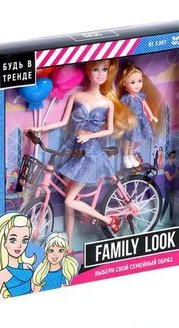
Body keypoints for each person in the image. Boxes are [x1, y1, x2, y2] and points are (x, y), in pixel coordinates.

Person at [28, 60, 131, 244]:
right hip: (73, 149)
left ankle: (109, 220)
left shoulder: (107, 103)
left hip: (90, 155)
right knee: (69, 199)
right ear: (88, 71)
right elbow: (63, 121)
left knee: (69, 200)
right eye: (96, 69)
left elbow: (108, 130)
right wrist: (40, 129)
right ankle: (67, 244)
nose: (100, 74)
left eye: (104, 70)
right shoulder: (77, 96)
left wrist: (91, 135)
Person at [116, 64, 165, 168]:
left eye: (139, 81)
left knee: (133, 140)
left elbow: (145, 106)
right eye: (132, 82)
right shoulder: (126, 98)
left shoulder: (140, 96)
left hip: (139, 120)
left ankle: (131, 155)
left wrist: (151, 116)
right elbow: (121, 109)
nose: (137, 85)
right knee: (127, 139)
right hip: (130, 121)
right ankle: (125, 157)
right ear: (124, 83)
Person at [0, 212, 35, 299]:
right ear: (5, 242)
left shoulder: (28, 267)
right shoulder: (1, 275)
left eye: (24, 241)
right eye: (13, 240)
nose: (19, 246)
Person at [163, 150, 179, 223]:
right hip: (168, 187)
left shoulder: (174, 166)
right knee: (166, 203)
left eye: (174, 156)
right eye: (172, 156)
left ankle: (171, 220)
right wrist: (176, 173)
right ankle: (160, 219)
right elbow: (169, 178)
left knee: (172, 203)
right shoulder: (166, 167)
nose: (173, 158)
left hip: (173, 187)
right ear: (169, 157)